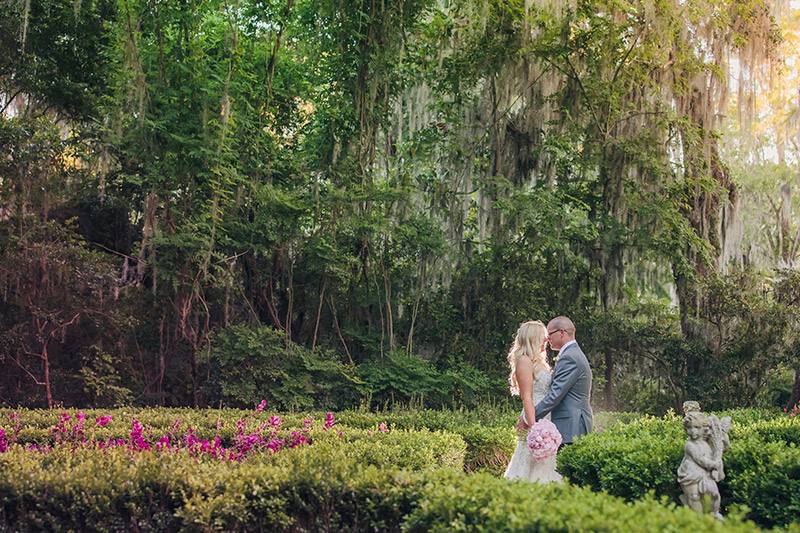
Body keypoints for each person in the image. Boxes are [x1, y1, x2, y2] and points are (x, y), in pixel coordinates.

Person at [503, 320, 563, 483]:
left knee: (545, 463)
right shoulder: (524, 360)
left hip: (545, 415)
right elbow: (527, 397)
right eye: (543, 337)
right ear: (532, 338)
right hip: (534, 416)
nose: (546, 340)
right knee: (530, 460)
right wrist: (534, 426)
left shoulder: (539, 362)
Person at [532, 316, 593, 447]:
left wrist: (529, 417)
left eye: (549, 334)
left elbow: (555, 395)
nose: (547, 339)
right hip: (570, 426)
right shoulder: (572, 353)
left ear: (561, 333)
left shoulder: (570, 357)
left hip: (571, 426)